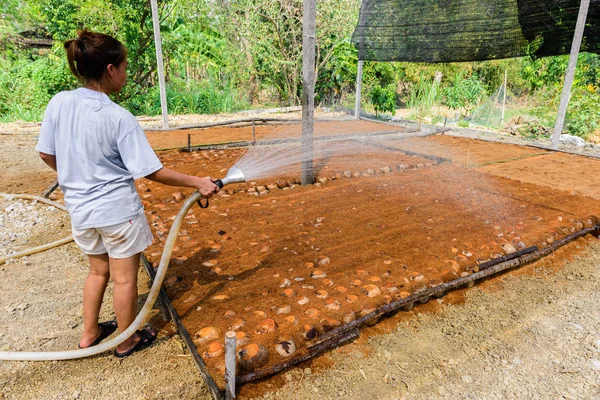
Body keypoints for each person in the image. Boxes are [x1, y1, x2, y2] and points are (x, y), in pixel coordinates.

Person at [36, 29, 219, 358]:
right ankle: (125, 340)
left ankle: (90, 333)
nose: (126, 73)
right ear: (110, 70)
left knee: (97, 271)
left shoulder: (59, 103)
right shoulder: (118, 118)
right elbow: (151, 171)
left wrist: (75, 176)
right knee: (124, 280)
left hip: (81, 211)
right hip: (117, 213)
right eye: (123, 67)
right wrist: (197, 181)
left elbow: (47, 154)